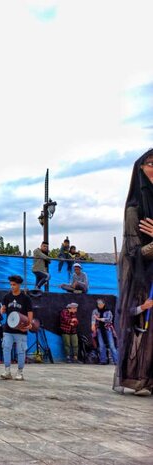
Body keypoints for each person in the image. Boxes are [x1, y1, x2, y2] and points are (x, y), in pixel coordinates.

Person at [115, 149, 153, 395]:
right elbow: (133, 251)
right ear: (140, 169)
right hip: (145, 279)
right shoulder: (134, 209)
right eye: (152, 163)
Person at [0, 275, 33, 380]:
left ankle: (20, 372)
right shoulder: (7, 297)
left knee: (21, 351)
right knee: (6, 348)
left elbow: (30, 312)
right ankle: (7, 371)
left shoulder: (26, 298)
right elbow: (4, 308)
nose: (12, 286)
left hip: (21, 329)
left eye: (14, 284)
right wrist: (2, 310)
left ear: (19, 285)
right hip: (8, 329)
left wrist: (29, 324)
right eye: (11, 284)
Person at [91, 299, 118, 365]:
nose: (100, 305)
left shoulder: (108, 311)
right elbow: (93, 319)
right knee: (101, 345)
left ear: (104, 304)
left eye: (101, 304)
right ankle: (103, 360)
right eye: (98, 304)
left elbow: (109, 319)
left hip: (108, 329)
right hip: (100, 329)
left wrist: (99, 319)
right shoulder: (95, 311)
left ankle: (116, 361)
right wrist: (92, 325)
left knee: (112, 345)